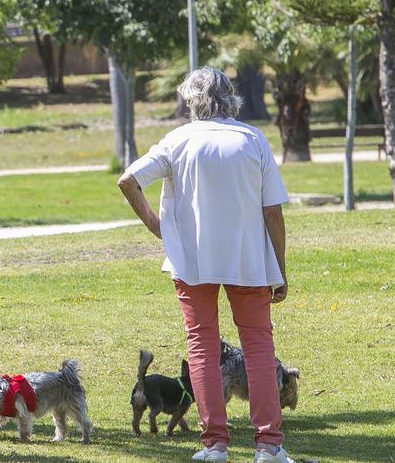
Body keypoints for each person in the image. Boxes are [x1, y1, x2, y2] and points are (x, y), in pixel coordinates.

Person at [116, 67, 294, 463]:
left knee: (201, 346)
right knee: (259, 347)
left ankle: (214, 444)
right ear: (231, 97)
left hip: (192, 259)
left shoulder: (178, 140)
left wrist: (155, 225)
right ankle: (269, 446)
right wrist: (279, 268)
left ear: (190, 100)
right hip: (249, 259)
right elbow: (273, 212)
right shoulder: (252, 139)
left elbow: (128, 180)